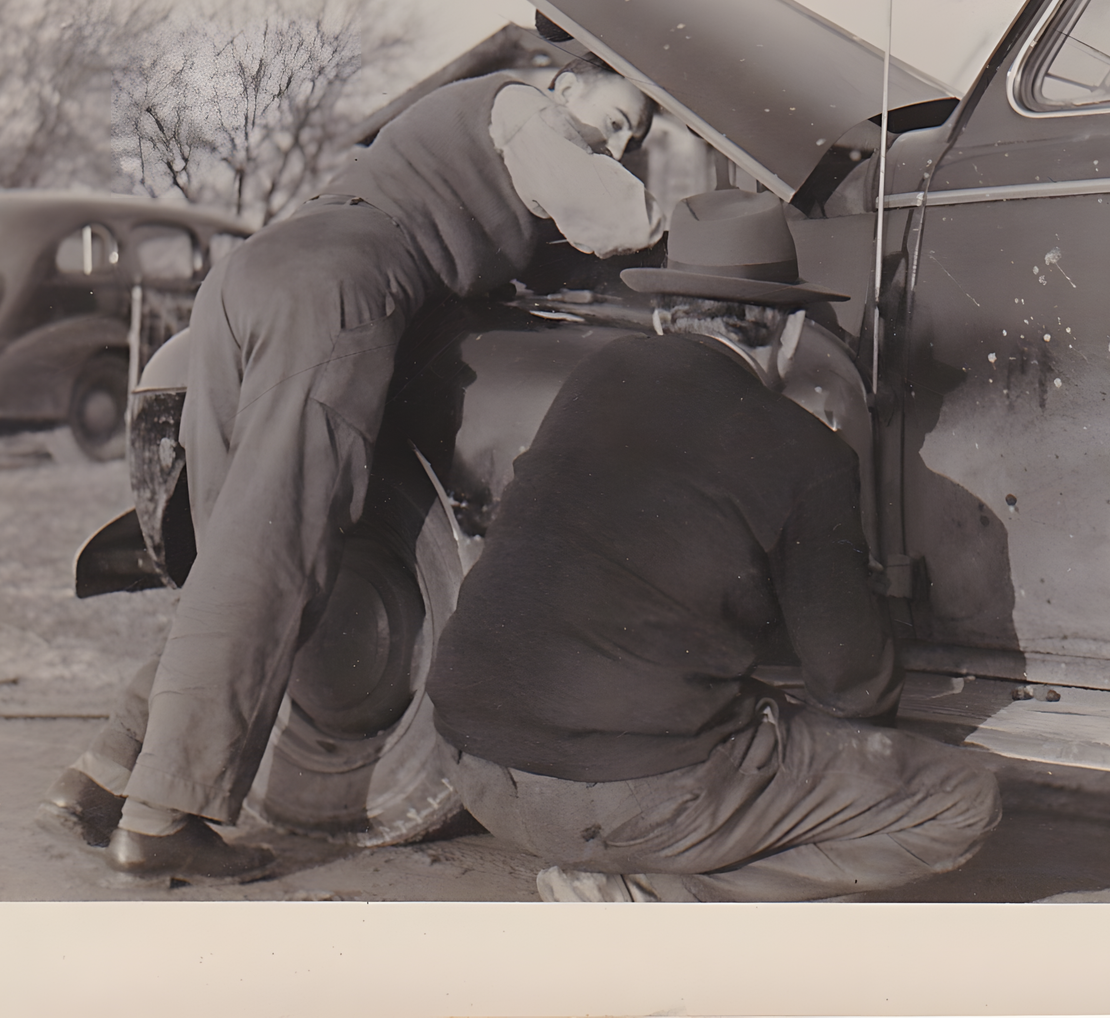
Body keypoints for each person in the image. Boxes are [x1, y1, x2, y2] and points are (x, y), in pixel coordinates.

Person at [40, 53, 661, 882]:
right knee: (275, 561)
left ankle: (109, 775)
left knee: (237, 557)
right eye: (615, 121)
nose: (615, 146)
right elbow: (609, 214)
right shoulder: (523, 108)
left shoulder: (460, 130)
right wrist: (697, 227)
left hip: (251, 282)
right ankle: (161, 823)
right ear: (564, 84)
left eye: (632, 140)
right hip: (339, 294)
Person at [426, 189, 1001, 902]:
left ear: (666, 319)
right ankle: (664, 899)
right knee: (963, 799)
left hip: (476, 765)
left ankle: (611, 868)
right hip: (629, 798)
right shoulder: (807, 453)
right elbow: (851, 685)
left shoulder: (593, 381)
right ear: (790, 335)